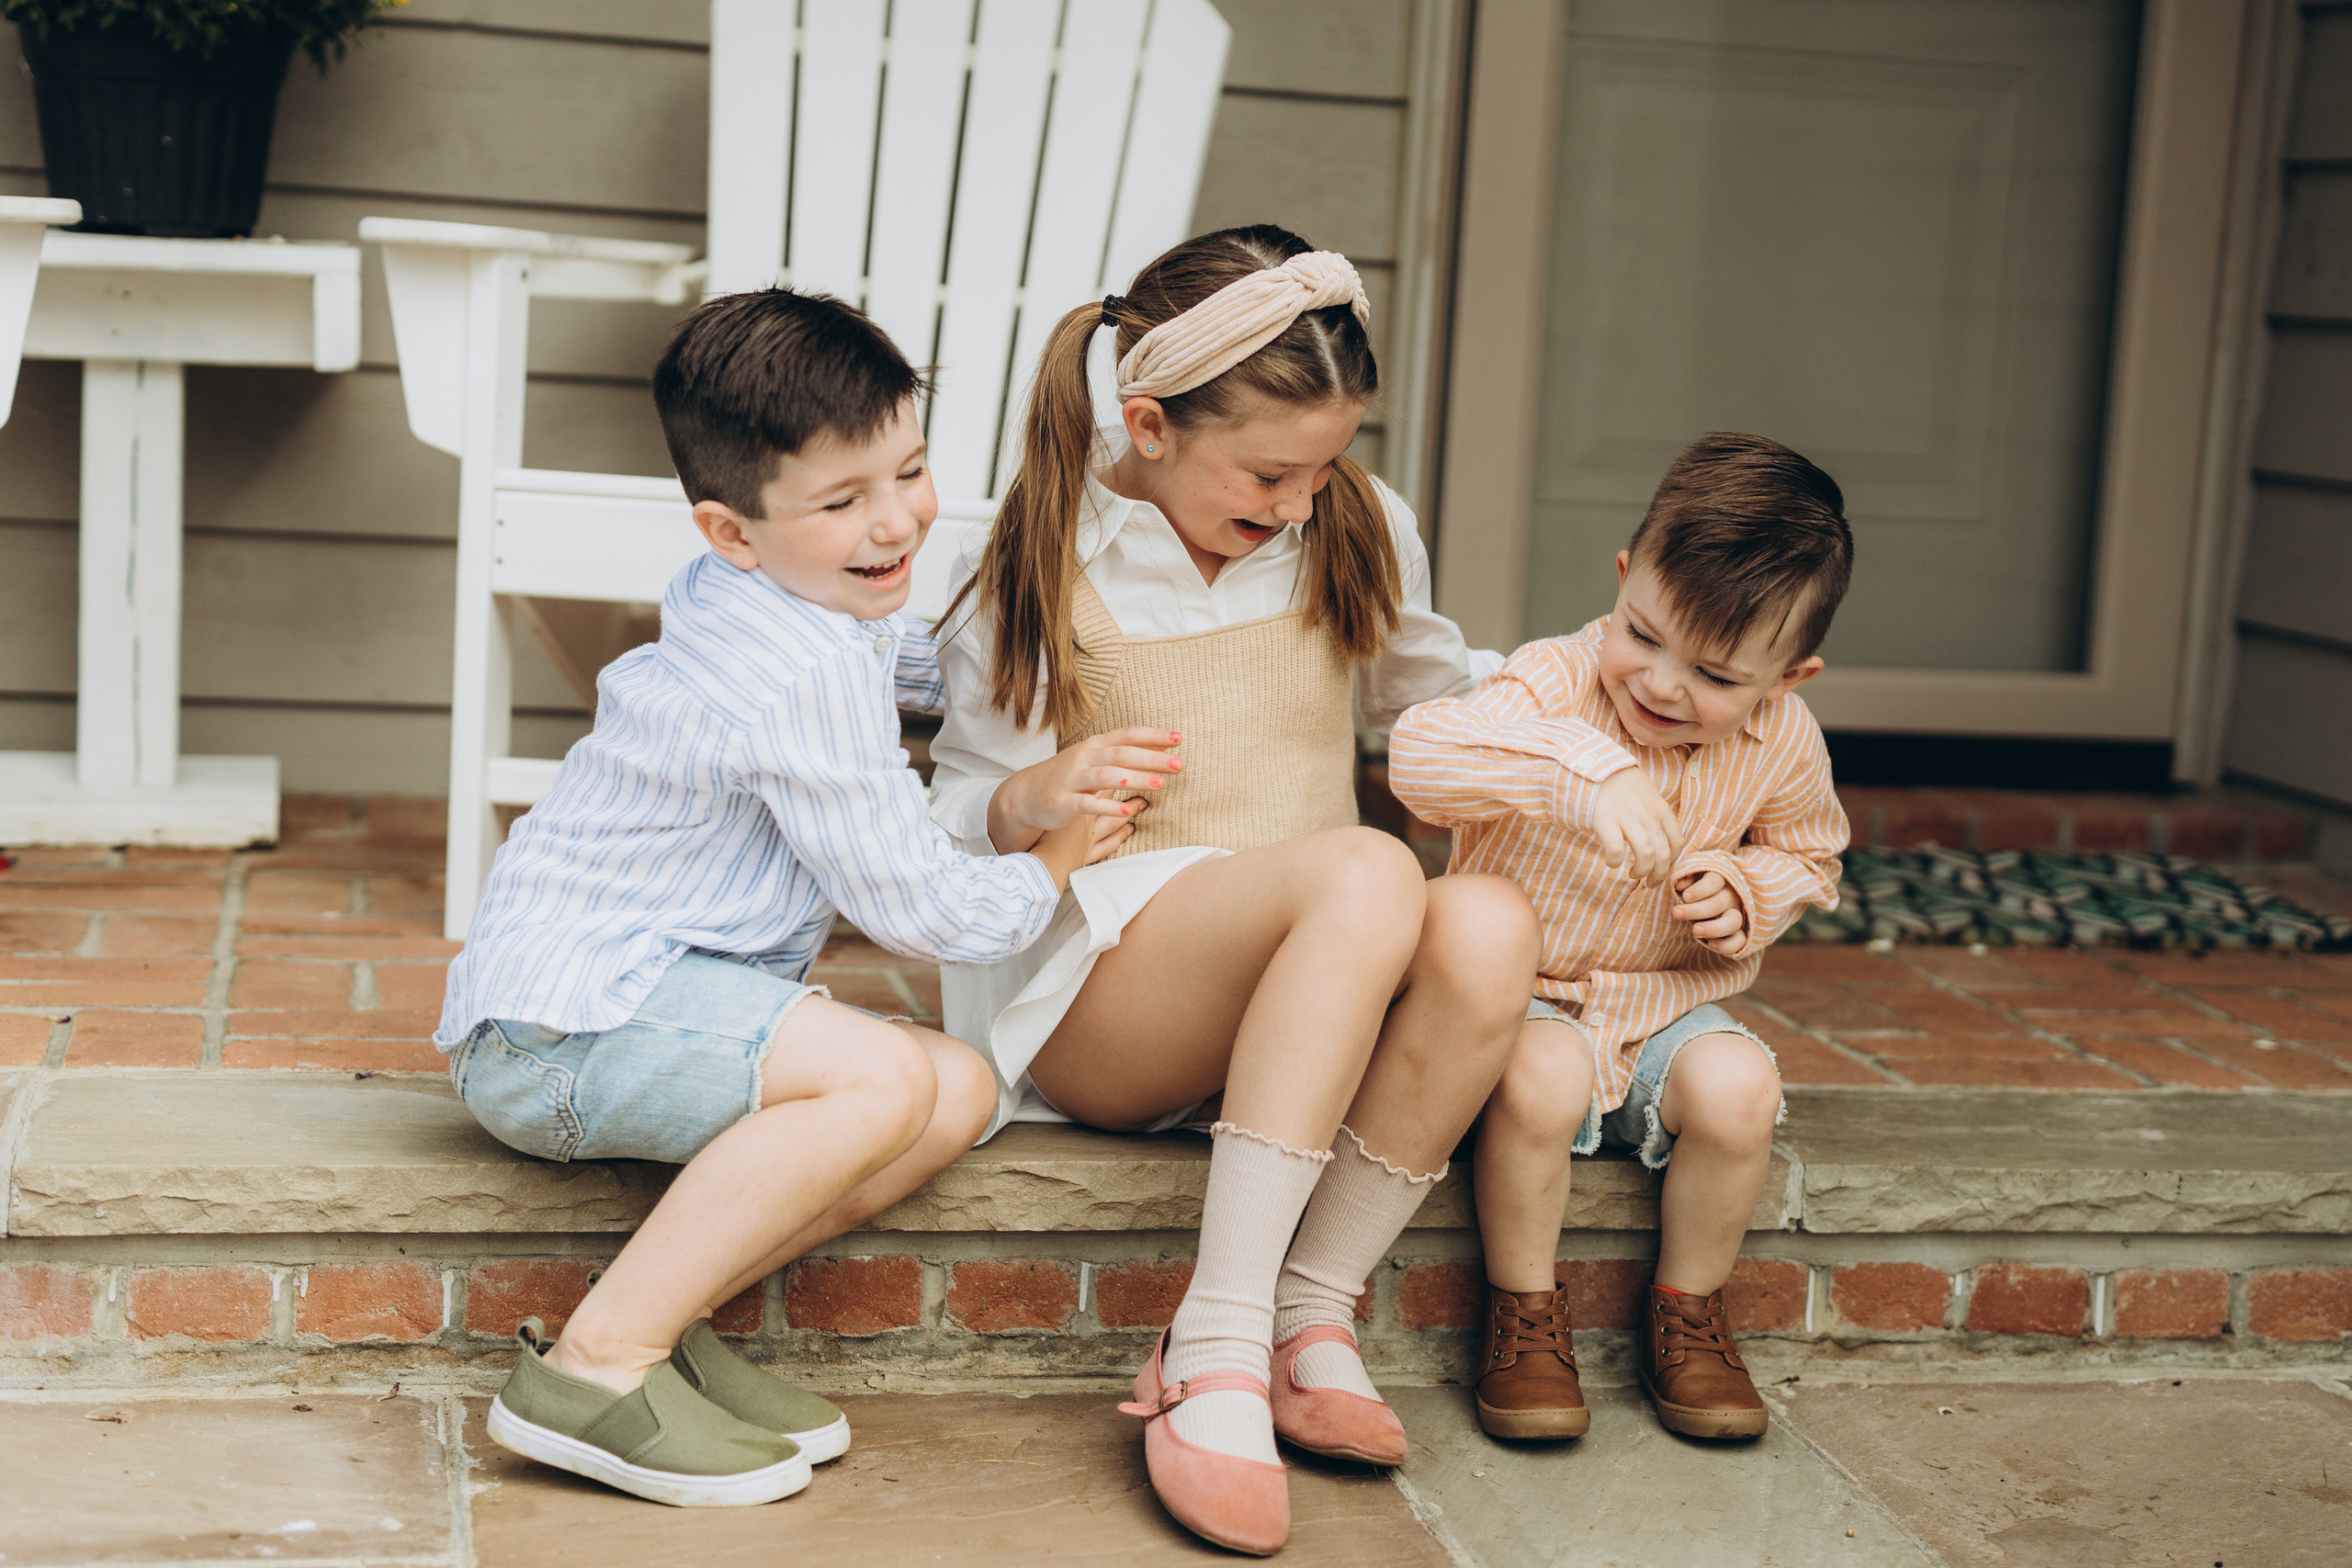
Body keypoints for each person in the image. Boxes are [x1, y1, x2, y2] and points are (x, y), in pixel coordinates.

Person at [433, 289, 1102, 1507]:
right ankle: (594, 1365)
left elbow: (917, 662)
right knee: (888, 1074)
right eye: (843, 502)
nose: (896, 519)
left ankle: (665, 1311)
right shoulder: (791, 678)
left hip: (641, 996)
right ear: (731, 529)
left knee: (956, 1089)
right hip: (562, 1029)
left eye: (908, 469)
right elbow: (915, 902)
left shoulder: (785, 592)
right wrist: (1048, 861)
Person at [929, 225, 1539, 1554]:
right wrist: (1033, 797)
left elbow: (1447, 710)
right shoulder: (1038, 553)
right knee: (1372, 867)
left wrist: (1607, 727)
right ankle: (1214, 1339)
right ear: (1147, 422)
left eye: (1330, 464)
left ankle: (1309, 1307)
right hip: (1107, 1000)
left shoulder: (1358, 529)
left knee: (1489, 922)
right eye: (1271, 468)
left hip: (1314, 986)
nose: (1304, 498)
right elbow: (946, 823)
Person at [1388, 433, 1852, 1445]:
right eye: (1642, 636)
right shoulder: (1554, 681)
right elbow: (1420, 759)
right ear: (1622, 578)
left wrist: (1748, 891)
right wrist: (1575, 771)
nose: (1664, 686)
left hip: (1663, 1000)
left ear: (1789, 677)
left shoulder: (1786, 742)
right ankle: (1523, 1313)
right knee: (1540, 1084)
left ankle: (1687, 1315)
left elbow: (1811, 855)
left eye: (1718, 676)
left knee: (1741, 1094)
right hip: (1526, 996)